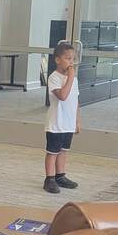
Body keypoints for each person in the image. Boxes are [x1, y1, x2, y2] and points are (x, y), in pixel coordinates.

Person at [44, 41, 80, 193]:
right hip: (56, 123)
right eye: (67, 58)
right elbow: (63, 96)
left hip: (68, 123)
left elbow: (76, 101)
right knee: (53, 152)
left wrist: (77, 120)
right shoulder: (54, 78)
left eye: (72, 59)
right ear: (58, 60)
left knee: (63, 151)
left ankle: (60, 176)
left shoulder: (74, 79)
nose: (71, 62)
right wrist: (70, 77)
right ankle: (49, 179)